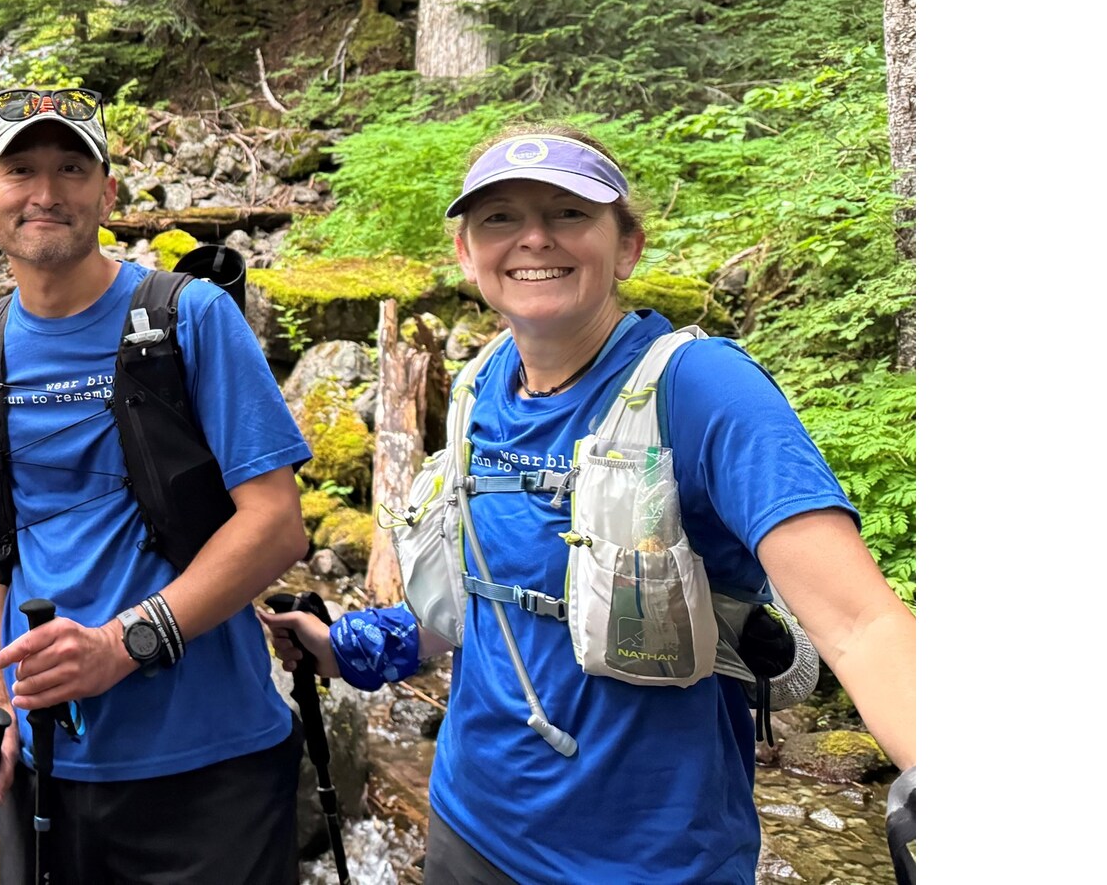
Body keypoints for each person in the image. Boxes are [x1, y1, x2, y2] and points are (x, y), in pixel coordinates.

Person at [259, 124, 916, 885]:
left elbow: (860, 622)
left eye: (569, 213)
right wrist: (351, 647)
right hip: (470, 831)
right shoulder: (478, 387)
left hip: (650, 863)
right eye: (499, 218)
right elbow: (492, 606)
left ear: (626, 247)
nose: (533, 238)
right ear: (466, 254)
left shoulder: (702, 390)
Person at [0, 86, 314, 885]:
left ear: (107, 193)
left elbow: (276, 523)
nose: (46, 192)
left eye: (72, 168)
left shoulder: (191, 316)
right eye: (21, 170)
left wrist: (122, 645)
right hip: (43, 766)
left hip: (211, 765)